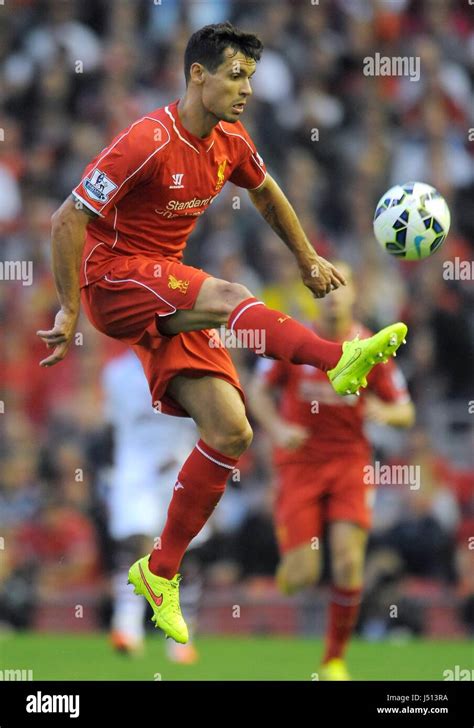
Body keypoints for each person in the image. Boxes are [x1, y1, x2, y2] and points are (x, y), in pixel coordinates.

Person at [37, 22, 407, 644]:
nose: (246, 90)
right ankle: (337, 358)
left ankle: (161, 572)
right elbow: (65, 219)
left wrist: (307, 257)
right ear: (197, 75)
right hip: (112, 279)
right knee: (233, 296)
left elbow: (268, 195)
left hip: (163, 290)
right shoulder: (147, 140)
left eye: (252, 79)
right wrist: (69, 310)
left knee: (232, 429)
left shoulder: (230, 142)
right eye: (236, 76)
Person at [248, 263, 415, 679]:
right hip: (300, 464)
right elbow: (256, 392)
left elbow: (406, 410)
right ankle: (288, 574)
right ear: (314, 290)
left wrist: (384, 411)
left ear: (355, 292)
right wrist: (277, 427)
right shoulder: (294, 339)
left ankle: (333, 660)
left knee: (346, 562)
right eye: (329, 285)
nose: (335, 294)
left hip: (349, 464)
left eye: (344, 285)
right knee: (303, 576)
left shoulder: (370, 346)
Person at [102, 349, 203, 662]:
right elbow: (114, 424)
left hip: (180, 467)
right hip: (135, 471)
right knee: (138, 543)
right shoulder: (116, 373)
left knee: (180, 555)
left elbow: (206, 419)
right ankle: (127, 629)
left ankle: (181, 638)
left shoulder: (187, 363)